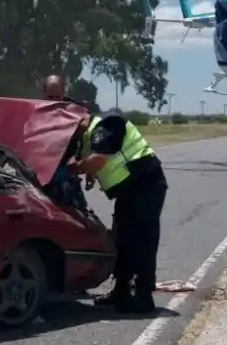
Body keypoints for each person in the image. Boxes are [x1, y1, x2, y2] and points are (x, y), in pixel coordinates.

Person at [67, 111, 168, 314]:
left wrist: (75, 168)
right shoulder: (87, 136)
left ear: (80, 117)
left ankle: (143, 296)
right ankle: (120, 291)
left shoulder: (106, 123)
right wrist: (89, 173)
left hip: (145, 183)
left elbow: (98, 159)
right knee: (122, 238)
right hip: (130, 188)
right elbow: (97, 157)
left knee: (142, 241)